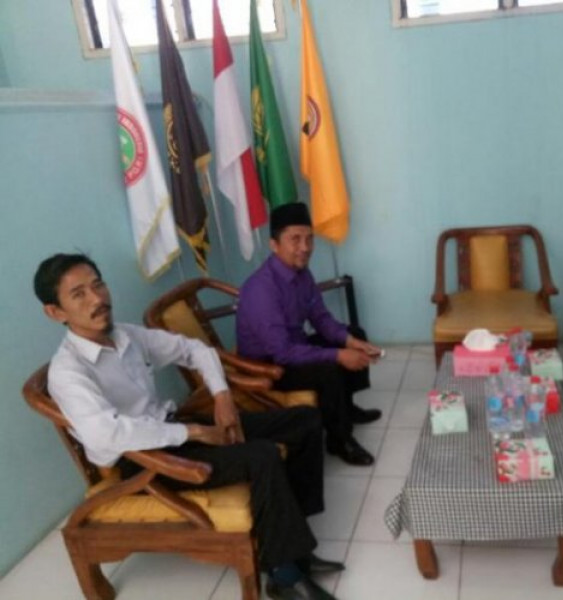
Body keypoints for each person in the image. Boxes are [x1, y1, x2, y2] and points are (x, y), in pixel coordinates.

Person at [34, 253, 343, 600]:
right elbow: (109, 433)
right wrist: (194, 432)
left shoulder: (126, 336)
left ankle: (296, 547)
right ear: (55, 312)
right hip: (143, 459)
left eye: (98, 285)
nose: (97, 299)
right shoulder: (69, 372)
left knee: (304, 420)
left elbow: (195, 349)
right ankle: (284, 577)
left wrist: (222, 396)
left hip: (173, 428)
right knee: (262, 456)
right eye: (79, 294)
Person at [237, 202, 382, 466]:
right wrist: (338, 355)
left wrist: (350, 342)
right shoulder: (261, 289)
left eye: (309, 239)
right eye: (295, 239)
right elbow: (282, 352)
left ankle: (347, 408)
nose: (305, 247)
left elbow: (321, 319)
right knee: (328, 367)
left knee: (354, 332)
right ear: (274, 244)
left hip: (294, 347)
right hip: (268, 366)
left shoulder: (302, 273)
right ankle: (339, 440)